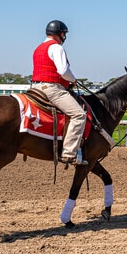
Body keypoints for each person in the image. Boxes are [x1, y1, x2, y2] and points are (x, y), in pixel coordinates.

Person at [31, 20, 87, 166]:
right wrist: (73, 79)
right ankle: (69, 153)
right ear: (61, 33)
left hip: (34, 88)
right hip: (52, 89)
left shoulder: (38, 48)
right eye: (64, 34)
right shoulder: (56, 48)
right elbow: (63, 71)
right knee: (79, 115)